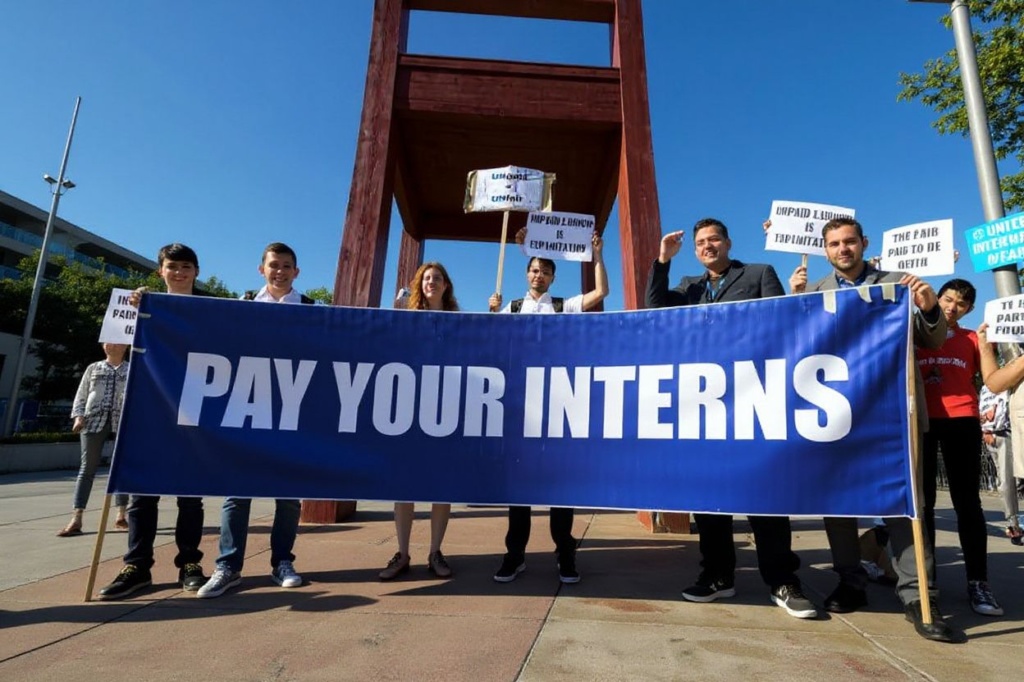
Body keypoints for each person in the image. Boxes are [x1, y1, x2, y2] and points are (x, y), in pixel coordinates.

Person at [789, 217, 964, 642]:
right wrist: (793, 305)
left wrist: (927, 306)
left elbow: (934, 340)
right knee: (838, 506)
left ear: (864, 244)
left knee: (904, 507)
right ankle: (851, 582)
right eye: (834, 244)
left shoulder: (899, 284)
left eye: (849, 241)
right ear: (825, 250)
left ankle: (918, 597)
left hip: (891, 418)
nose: (843, 249)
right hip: (835, 420)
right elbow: (794, 347)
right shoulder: (814, 292)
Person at [646, 217, 815, 620]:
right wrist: (663, 261)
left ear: (727, 242)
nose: (707, 246)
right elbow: (654, 308)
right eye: (701, 242)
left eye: (714, 239)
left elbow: (782, 322)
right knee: (709, 497)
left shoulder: (757, 273)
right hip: (704, 402)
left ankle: (782, 582)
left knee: (765, 494)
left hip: (754, 397)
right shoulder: (688, 286)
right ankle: (718, 576)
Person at [488, 230, 608, 584]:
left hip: (557, 403)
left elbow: (601, 294)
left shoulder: (563, 307)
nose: (538, 275)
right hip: (520, 406)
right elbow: (487, 345)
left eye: (544, 271)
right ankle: (515, 555)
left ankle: (565, 553)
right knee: (519, 489)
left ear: (553, 277)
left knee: (559, 486)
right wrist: (491, 313)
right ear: (526, 274)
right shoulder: (509, 307)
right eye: (533, 270)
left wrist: (597, 256)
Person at [197, 243, 311, 599]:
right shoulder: (242, 305)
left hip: (292, 409)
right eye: (274, 265)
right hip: (246, 407)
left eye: (287, 266)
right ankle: (228, 567)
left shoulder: (313, 310)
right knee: (237, 493)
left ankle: (282, 562)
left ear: (297, 272)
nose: (280, 271)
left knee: (289, 496)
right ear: (261, 269)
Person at [97, 243, 207, 600]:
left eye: (186, 266)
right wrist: (133, 310)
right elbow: (115, 351)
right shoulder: (141, 306)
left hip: (194, 412)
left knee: (190, 496)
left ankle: (190, 562)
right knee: (143, 494)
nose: (180, 272)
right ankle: (137, 565)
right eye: (173, 266)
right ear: (161, 270)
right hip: (150, 409)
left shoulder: (211, 310)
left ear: (196, 272)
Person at [915, 279, 1002, 616]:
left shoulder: (970, 338)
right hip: (921, 422)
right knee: (923, 504)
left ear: (968, 309)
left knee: (968, 503)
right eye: (947, 299)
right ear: (935, 298)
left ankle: (978, 582)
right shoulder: (913, 333)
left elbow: (992, 381)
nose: (952, 308)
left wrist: (989, 344)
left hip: (962, 420)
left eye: (961, 304)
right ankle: (926, 581)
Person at [379, 262, 461, 581]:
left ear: (446, 286)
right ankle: (402, 552)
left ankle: (435, 551)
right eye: (427, 278)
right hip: (409, 411)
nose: (432, 282)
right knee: (404, 484)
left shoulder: (459, 322)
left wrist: (492, 315)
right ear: (419, 285)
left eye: (437, 278)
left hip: (445, 410)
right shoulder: (406, 319)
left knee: (441, 485)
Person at [57, 343, 131, 537]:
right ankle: (77, 516)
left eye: (114, 342)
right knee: (87, 468)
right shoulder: (94, 368)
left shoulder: (132, 369)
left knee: (121, 467)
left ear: (125, 345)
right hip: (93, 420)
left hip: (122, 422)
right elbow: (82, 394)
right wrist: (78, 416)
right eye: (106, 342)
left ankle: (121, 514)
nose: (108, 346)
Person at [979, 385, 1022, 544]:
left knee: (1007, 481)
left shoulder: (1006, 383)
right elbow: (984, 407)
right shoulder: (987, 386)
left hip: (1005, 432)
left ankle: (1014, 523)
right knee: (1004, 481)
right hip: (996, 433)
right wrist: (986, 430)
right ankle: (1013, 523)